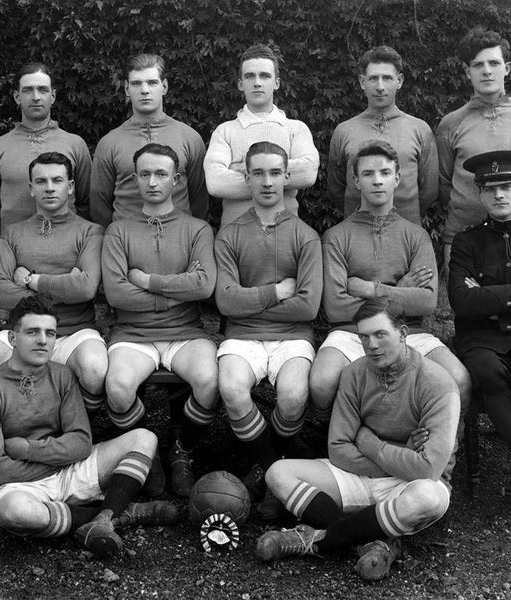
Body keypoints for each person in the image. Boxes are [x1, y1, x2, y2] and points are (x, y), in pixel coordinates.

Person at [256, 298, 460, 581]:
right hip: (365, 473)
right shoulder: (354, 373)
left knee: (429, 498)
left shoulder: (438, 383)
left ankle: (316, 540)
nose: (371, 344)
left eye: (380, 334)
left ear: (402, 333)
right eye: (364, 336)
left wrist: (368, 441)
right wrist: (402, 454)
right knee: (278, 473)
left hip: (411, 484)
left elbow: (428, 469)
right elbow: (338, 449)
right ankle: (375, 539)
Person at [0, 296, 178, 556]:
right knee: (17, 513)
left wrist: (29, 449)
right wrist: (58, 456)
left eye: (50, 333)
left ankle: (103, 518)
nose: (43, 340)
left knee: (144, 438)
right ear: (12, 338)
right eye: (32, 332)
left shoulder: (62, 375)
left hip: (67, 470)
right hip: (20, 486)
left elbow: (80, 443)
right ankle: (118, 514)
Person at [310, 140, 471, 422]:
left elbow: (427, 302)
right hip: (351, 333)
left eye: (385, 173)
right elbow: (337, 308)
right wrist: (402, 290)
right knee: (321, 383)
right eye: (368, 174)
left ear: (397, 179)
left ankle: (439, 456)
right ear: (356, 180)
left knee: (459, 379)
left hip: (410, 331)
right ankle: (332, 438)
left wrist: (373, 289)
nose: (377, 181)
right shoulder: (336, 237)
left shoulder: (416, 235)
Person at [102, 143, 218, 497]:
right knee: (119, 388)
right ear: (135, 179)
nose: (153, 181)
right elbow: (117, 294)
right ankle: (146, 453)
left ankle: (181, 451)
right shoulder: (117, 231)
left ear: (177, 179)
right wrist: (174, 293)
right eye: (145, 174)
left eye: (161, 174)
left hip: (185, 332)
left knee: (210, 382)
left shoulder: (198, 229)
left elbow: (203, 285)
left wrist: (148, 283)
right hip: (132, 334)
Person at [214, 141, 322, 518]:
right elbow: (225, 302)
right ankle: (277, 469)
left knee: (293, 396)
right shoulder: (229, 234)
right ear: (246, 178)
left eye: (275, 172)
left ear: (287, 177)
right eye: (258, 173)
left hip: (293, 338)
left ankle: (263, 469)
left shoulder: (306, 235)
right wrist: (277, 292)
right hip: (241, 338)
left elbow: (308, 305)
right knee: (230, 388)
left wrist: (250, 303)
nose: (267, 181)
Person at [0, 152, 107, 414]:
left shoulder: (91, 231)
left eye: (57, 180)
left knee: (95, 370)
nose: (50, 188)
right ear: (31, 188)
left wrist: (32, 281)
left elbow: (86, 288)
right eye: (41, 181)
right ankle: (17, 426)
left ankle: (75, 427)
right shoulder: (13, 232)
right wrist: (66, 284)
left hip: (74, 331)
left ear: (71, 186)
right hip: (21, 331)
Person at [204, 44, 319, 227]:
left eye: (264, 76)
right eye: (250, 76)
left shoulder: (295, 129)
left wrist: (242, 169)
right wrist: (278, 173)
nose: (257, 82)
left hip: (286, 235)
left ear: (277, 83)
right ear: (241, 84)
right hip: (235, 239)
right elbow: (216, 183)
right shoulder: (225, 131)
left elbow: (307, 174)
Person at [90, 54, 207, 226]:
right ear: (126, 88)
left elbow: (199, 199)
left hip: (180, 240)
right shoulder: (109, 143)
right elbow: (99, 205)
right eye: (136, 83)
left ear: (164, 86)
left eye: (152, 82)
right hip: (125, 243)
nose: (144, 90)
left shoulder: (190, 138)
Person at [327, 46, 438, 226]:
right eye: (373, 79)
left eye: (387, 78)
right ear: (362, 82)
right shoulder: (344, 131)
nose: (380, 87)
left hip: (406, 231)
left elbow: (429, 190)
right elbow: (336, 188)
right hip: (356, 232)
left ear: (399, 81)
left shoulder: (419, 129)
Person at [0, 62, 91, 238]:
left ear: (53, 96)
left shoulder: (75, 144)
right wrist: (10, 241)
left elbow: (86, 202)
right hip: (15, 251)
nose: (36, 97)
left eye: (43, 90)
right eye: (28, 90)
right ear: (17, 96)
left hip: (69, 249)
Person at [449, 150, 511, 454]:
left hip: (493, 327)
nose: (499, 195)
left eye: (507, 187)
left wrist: (488, 294)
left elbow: (477, 298)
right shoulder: (466, 242)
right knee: (487, 371)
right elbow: (462, 301)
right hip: (481, 339)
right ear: (481, 194)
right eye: (491, 189)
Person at [436, 28, 511, 276]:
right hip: (464, 238)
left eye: (493, 63)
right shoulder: (451, 123)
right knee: (469, 310)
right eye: (478, 65)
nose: (486, 70)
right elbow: (444, 183)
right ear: (468, 72)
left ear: (507, 68)